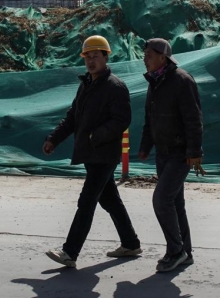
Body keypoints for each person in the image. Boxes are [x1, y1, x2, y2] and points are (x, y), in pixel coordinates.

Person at [42, 35, 142, 268]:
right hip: (91, 153)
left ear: (106, 57)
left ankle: (69, 252)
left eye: (95, 56)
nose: (90, 61)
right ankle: (130, 243)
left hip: (104, 154)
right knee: (110, 200)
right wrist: (53, 139)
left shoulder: (115, 86)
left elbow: (121, 120)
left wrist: (95, 136)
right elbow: (72, 117)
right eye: (87, 56)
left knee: (86, 201)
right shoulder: (86, 84)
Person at [138, 38, 205, 273]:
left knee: (161, 200)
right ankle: (185, 252)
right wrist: (145, 145)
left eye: (148, 54)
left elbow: (193, 120)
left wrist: (194, 152)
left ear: (162, 57)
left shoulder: (181, 81)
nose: (144, 59)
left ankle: (175, 251)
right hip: (162, 153)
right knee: (176, 203)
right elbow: (150, 118)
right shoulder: (154, 82)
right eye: (144, 54)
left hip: (180, 153)